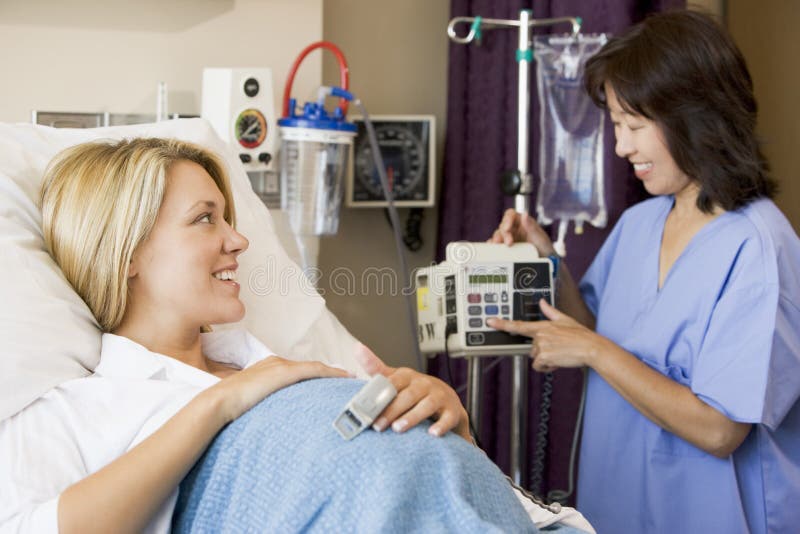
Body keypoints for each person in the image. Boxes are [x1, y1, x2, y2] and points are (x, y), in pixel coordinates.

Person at [2, 137, 486, 532]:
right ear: (126, 253)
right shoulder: (74, 410)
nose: (239, 240)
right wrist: (219, 403)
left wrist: (447, 421)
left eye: (228, 219)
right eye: (205, 218)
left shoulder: (279, 362)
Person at [488, 10, 800, 534]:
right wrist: (546, 261)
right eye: (615, 124)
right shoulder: (641, 223)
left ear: (697, 116)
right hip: (618, 507)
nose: (620, 147)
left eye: (634, 126)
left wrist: (591, 350)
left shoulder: (758, 249)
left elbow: (720, 429)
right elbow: (595, 329)